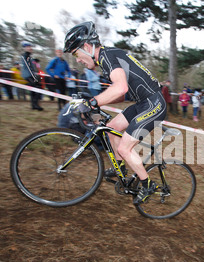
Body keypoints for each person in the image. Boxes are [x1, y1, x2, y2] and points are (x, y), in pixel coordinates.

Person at [63, 21, 167, 205]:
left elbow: (120, 88)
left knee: (124, 147)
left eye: (76, 53)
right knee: (110, 128)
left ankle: (147, 184)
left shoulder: (107, 57)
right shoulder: (106, 58)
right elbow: (121, 94)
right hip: (144, 103)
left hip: (153, 104)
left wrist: (93, 102)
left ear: (86, 47)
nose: (77, 60)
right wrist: (95, 104)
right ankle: (120, 169)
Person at [20, 42, 43, 110]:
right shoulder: (25, 55)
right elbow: (28, 67)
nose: (30, 48)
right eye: (28, 47)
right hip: (29, 75)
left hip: (30, 75)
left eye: (30, 47)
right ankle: (35, 105)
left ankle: (34, 105)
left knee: (34, 90)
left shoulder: (29, 56)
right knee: (37, 88)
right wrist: (34, 76)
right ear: (24, 48)